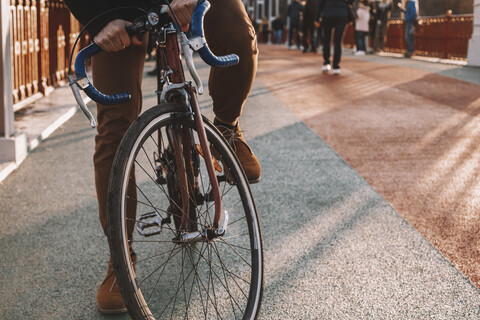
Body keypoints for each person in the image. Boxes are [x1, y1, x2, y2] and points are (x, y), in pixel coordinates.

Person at [64, 0, 261, 314]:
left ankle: (225, 128)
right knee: (114, 128)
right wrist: (95, 18)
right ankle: (120, 257)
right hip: (120, 8)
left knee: (239, 34)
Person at [315, 0, 353, 74]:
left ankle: (326, 63)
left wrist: (317, 18)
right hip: (342, 14)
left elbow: (320, 5)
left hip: (328, 15)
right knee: (338, 41)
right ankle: (336, 66)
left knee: (327, 40)